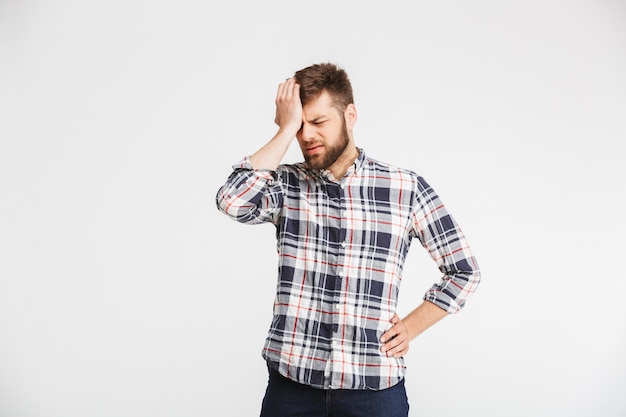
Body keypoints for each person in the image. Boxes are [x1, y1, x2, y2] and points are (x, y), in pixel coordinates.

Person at [215, 62, 480, 417]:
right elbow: (231, 201)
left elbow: (464, 271)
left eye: (318, 122)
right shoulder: (285, 184)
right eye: (300, 125)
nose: (306, 135)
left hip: (373, 390)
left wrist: (412, 325)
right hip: (291, 388)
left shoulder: (405, 188)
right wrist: (285, 128)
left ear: (350, 115)